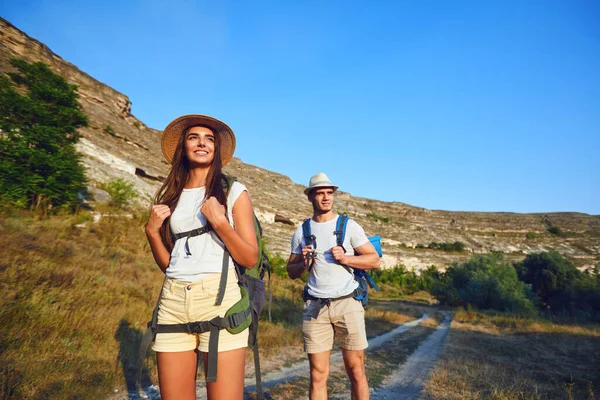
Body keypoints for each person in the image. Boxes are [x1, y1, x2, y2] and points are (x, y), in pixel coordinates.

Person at [145, 114, 258, 400]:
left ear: (216, 150)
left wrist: (220, 223)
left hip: (218, 301)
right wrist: (152, 234)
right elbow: (169, 265)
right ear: (183, 147)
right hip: (172, 299)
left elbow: (249, 258)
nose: (202, 143)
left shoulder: (233, 191)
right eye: (193, 137)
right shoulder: (171, 195)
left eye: (209, 139)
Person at [287, 173, 380, 400]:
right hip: (315, 308)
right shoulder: (301, 231)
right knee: (317, 374)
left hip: (347, 304)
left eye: (329, 193)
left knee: (356, 370)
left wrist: (346, 258)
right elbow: (291, 271)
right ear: (310, 197)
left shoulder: (349, 226)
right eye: (320, 193)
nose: (326, 197)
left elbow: (374, 260)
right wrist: (304, 263)